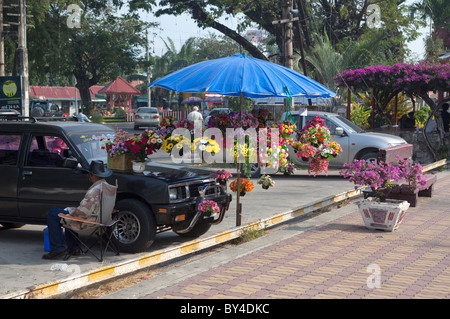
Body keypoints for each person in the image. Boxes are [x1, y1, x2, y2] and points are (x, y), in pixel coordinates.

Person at [42, 160, 113, 260]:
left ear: (91, 175)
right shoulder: (108, 187)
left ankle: (57, 248)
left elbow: (80, 214)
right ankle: (73, 248)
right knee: (66, 214)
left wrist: (70, 211)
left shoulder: (94, 191)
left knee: (53, 213)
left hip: (90, 224)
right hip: (104, 222)